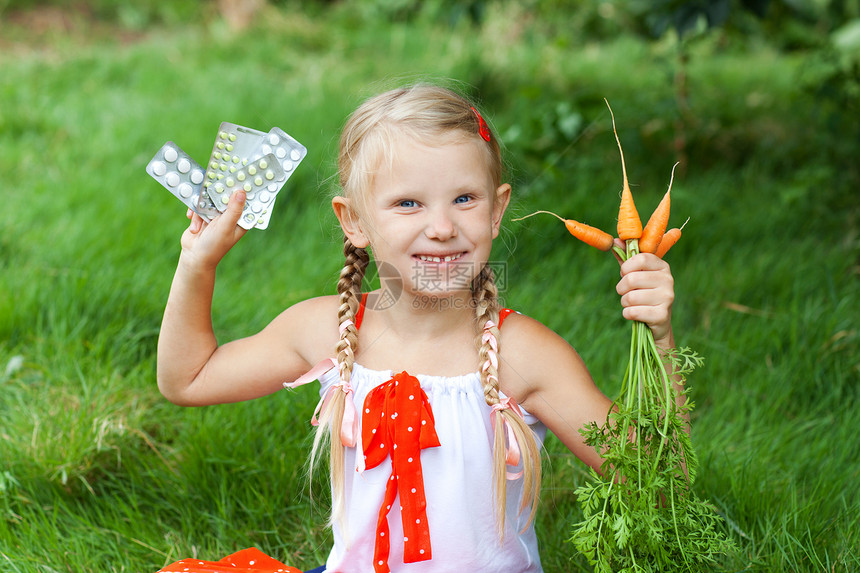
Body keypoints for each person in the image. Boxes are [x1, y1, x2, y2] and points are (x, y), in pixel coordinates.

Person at [156, 83, 677, 573]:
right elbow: (189, 379)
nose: (443, 227)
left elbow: (653, 482)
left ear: (497, 211)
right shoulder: (329, 330)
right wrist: (197, 265)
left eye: (465, 199)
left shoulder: (524, 354)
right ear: (353, 220)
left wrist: (660, 340)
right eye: (409, 203)